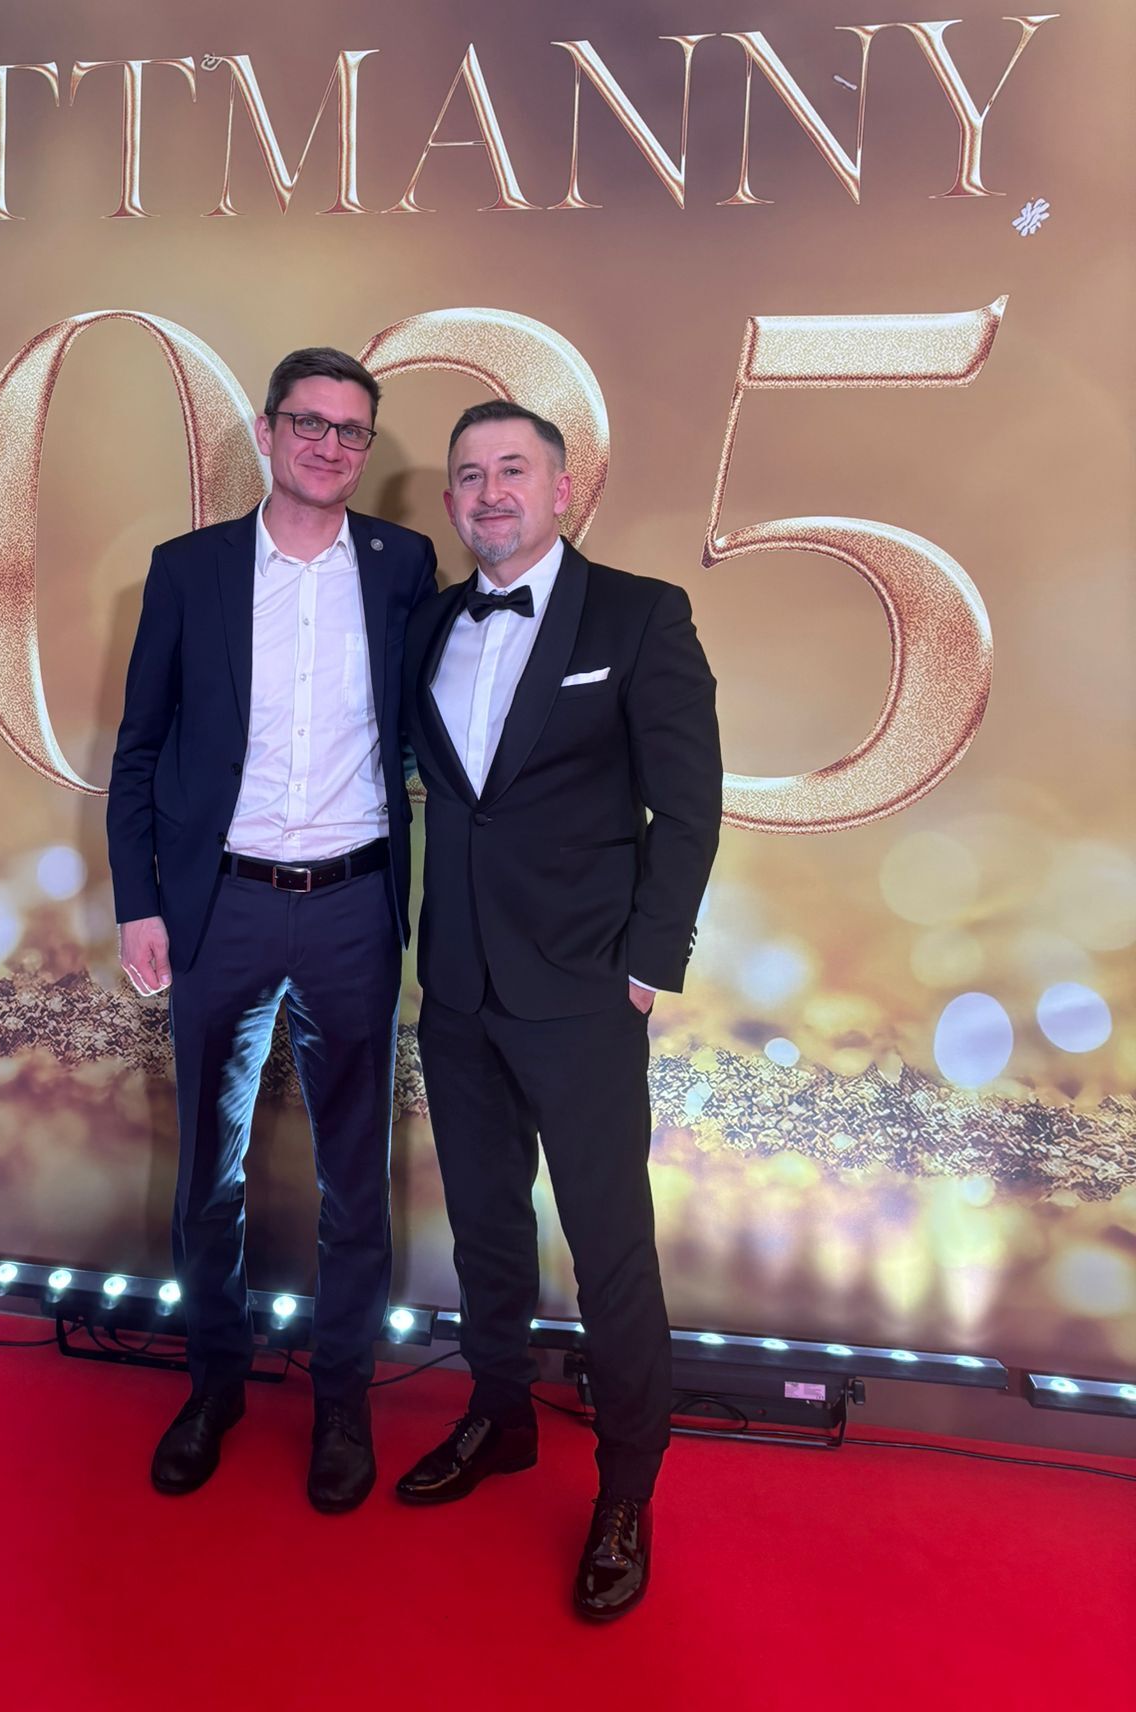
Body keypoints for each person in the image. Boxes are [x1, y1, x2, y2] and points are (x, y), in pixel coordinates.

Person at [395, 399, 721, 1623]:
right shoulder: (430, 621)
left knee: (610, 1247)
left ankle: (628, 1487)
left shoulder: (640, 614)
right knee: (485, 1225)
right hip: (458, 984)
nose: (491, 492)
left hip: (583, 989)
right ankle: (499, 1414)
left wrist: (647, 964)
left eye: (513, 469)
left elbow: (689, 804)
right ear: (450, 501)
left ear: (562, 487)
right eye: (470, 475)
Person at [106, 347, 437, 1513]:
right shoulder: (188, 569)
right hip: (222, 904)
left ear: (364, 447)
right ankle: (214, 1385)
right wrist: (139, 899)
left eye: (351, 431)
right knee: (209, 1169)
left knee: (356, 1178)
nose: (330, 446)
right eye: (310, 422)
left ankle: (343, 1398)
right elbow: (139, 749)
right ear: (266, 429)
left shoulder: (403, 565)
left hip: (353, 904)